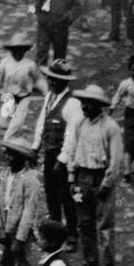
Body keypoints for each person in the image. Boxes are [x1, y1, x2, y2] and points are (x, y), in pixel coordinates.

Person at [64, 84, 124, 266]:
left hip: (100, 178)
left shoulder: (110, 127)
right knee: (85, 221)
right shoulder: (81, 123)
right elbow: (73, 150)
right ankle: (90, 260)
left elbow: (115, 161)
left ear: (98, 106)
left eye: (89, 104)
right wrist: (72, 177)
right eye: (83, 104)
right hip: (82, 178)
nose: (84, 108)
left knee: (104, 223)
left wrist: (106, 185)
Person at [31, 59, 83, 250]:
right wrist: (35, 146)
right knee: (51, 195)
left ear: (65, 82)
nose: (53, 83)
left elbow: (71, 136)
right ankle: (54, 234)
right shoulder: (49, 98)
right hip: (49, 153)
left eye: (57, 80)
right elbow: (41, 123)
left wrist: (61, 161)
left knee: (66, 197)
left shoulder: (73, 104)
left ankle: (71, 236)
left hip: (65, 157)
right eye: (51, 79)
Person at [0, 32, 44, 140]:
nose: (17, 52)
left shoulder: (29, 64)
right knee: (2, 122)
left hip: (24, 96)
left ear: (24, 51)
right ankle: (5, 138)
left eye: (20, 50)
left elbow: (39, 79)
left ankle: (10, 139)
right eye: (15, 50)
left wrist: (45, 91)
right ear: (11, 50)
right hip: (9, 95)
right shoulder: (5, 62)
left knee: (17, 122)